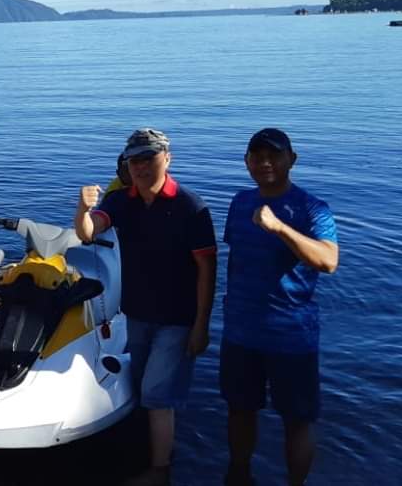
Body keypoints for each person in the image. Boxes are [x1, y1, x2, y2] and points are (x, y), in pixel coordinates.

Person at [75, 129, 217, 486]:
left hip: (177, 317)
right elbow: (88, 232)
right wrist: (83, 209)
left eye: (147, 158)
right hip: (136, 313)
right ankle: (151, 449)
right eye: (133, 160)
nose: (139, 166)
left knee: (156, 392)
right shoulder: (121, 201)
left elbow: (207, 269)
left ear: (167, 158)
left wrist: (201, 324)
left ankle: (160, 471)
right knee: (142, 387)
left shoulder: (191, 207)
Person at [220, 128, 339, 486]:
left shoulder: (312, 207)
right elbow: (236, 260)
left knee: (298, 419)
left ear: (292, 159)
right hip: (240, 331)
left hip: (292, 335)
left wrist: (280, 229)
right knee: (240, 409)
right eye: (257, 156)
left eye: (273, 155)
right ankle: (239, 475)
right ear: (246, 162)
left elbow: (329, 260)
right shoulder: (240, 202)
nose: (265, 163)